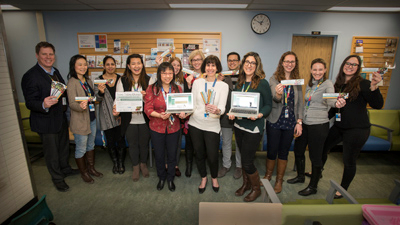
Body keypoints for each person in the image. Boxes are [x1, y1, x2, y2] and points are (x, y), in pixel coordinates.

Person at [321, 55, 383, 199]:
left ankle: (342, 189)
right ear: (343, 65)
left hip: (357, 129)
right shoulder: (338, 84)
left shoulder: (364, 84)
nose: (350, 66)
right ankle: (318, 171)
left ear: (358, 68)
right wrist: (318, 118)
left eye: (354, 64)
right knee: (323, 146)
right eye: (347, 63)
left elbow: (377, 104)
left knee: (349, 160)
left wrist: (374, 87)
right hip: (340, 126)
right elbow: (333, 109)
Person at [21, 42, 79, 192]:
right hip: (45, 121)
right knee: (52, 152)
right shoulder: (30, 76)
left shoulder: (55, 71)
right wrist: (43, 104)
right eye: (44, 54)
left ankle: (65, 169)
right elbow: (30, 102)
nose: (48, 57)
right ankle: (57, 179)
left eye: (51, 54)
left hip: (59, 118)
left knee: (63, 147)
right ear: (37, 55)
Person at [287, 58, 346, 196]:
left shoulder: (327, 84)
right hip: (305, 124)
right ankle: (300, 176)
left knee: (315, 156)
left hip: (319, 125)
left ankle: (313, 187)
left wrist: (337, 104)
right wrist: (299, 122)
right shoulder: (310, 84)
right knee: (298, 150)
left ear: (325, 70)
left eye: (320, 69)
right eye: (315, 69)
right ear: (311, 70)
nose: (317, 72)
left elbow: (331, 100)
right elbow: (305, 102)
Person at [229, 52, 272, 202]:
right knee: (243, 158)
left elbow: (268, 105)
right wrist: (232, 112)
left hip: (253, 128)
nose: (249, 65)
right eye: (247, 62)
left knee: (247, 161)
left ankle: (256, 189)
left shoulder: (262, 83)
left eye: (252, 63)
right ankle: (246, 184)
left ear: (257, 65)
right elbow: (235, 104)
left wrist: (260, 114)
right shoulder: (240, 82)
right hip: (239, 125)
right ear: (243, 64)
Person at [144, 62, 187, 191]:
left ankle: (170, 178)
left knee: (173, 154)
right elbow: (147, 108)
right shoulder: (151, 88)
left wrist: (183, 113)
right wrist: (159, 115)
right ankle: (162, 177)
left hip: (174, 127)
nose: (167, 76)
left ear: (174, 73)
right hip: (157, 127)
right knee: (159, 154)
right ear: (159, 74)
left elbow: (182, 107)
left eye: (170, 72)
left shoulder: (178, 89)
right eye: (164, 73)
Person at [265, 51, 304, 194]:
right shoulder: (274, 78)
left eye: (292, 62)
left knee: (284, 151)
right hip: (275, 119)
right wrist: (279, 93)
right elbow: (275, 98)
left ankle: (279, 180)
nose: (289, 64)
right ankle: (268, 175)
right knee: (272, 149)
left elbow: (300, 103)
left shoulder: (297, 81)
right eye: (287, 61)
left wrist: (299, 121)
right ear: (282, 63)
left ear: (295, 64)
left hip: (290, 122)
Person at [189, 55, 228, 194]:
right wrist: (185, 113)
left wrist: (218, 110)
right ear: (204, 67)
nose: (210, 68)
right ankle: (204, 177)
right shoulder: (197, 83)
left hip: (212, 125)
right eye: (208, 65)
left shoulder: (223, 86)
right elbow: (192, 104)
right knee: (199, 154)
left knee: (212, 156)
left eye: (213, 65)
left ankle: (214, 177)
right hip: (195, 124)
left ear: (217, 68)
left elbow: (222, 107)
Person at [113, 54, 150, 182]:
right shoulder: (122, 80)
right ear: (128, 66)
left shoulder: (148, 80)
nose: (136, 66)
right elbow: (118, 99)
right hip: (129, 119)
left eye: (138, 63)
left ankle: (143, 164)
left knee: (144, 144)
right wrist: (115, 108)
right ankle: (135, 166)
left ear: (142, 64)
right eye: (133, 63)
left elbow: (152, 101)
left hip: (144, 119)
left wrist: (146, 98)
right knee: (133, 144)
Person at [67, 54, 103, 184]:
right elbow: (71, 103)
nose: (83, 67)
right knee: (81, 148)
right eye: (80, 64)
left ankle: (91, 168)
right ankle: (84, 173)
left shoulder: (87, 80)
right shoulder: (72, 82)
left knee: (90, 145)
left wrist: (100, 93)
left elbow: (93, 99)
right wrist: (80, 106)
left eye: (85, 64)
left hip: (91, 119)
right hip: (80, 121)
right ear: (74, 66)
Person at [95, 56, 126, 174]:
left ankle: (121, 163)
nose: (110, 66)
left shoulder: (121, 79)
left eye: (112, 64)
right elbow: (96, 99)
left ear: (115, 65)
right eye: (107, 64)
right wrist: (101, 92)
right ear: (103, 66)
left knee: (121, 140)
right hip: (106, 115)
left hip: (120, 115)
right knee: (111, 141)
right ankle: (115, 163)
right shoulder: (98, 81)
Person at [218, 52, 243, 179]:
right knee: (226, 142)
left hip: (240, 116)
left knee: (239, 143)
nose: (232, 62)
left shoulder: (245, 77)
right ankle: (226, 165)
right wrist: (218, 82)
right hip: (226, 116)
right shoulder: (222, 77)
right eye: (229, 60)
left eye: (234, 60)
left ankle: (239, 166)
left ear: (239, 62)